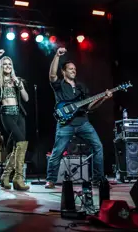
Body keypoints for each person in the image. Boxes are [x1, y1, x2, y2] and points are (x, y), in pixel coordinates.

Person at [45, 47, 112, 189]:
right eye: (70, 69)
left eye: (75, 69)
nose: (74, 71)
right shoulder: (59, 85)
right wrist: (57, 55)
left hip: (83, 122)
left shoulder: (81, 87)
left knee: (98, 147)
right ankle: (50, 179)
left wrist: (103, 98)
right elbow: (52, 75)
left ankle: (97, 179)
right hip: (65, 124)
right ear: (63, 72)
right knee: (57, 152)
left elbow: (90, 107)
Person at [0, 49, 30, 191]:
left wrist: (19, 84)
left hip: (19, 115)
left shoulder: (18, 81)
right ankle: (18, 179)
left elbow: (26, 98)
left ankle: (5, 176)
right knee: (21, 143)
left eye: (10, 64)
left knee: (18, 146)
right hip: (7, 114)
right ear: (1, 67)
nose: (8, 66)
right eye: (5, 64)